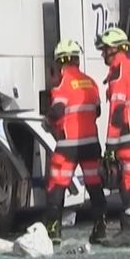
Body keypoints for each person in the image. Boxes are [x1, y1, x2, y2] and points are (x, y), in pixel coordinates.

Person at [42, 39, 109, 243]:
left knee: (58, 184)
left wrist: (48, 121)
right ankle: (100, 228)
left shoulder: (62, 83)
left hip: (67, 145)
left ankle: (54, 230)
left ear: (61, 61)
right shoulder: (91, 82)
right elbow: (96, 111)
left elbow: (58, 110)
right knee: (94, 185)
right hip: (90, 144)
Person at [94, 26, 130, 247]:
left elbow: (117, 111)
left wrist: (109, 145)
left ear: (115, 49)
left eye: (105, 49)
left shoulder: (119, 73)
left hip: (127, 138)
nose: (102, 54)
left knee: (128, 184)